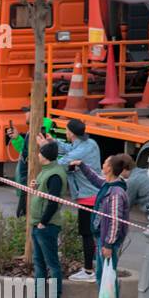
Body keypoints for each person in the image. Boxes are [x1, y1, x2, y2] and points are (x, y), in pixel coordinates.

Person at [71, 153, 132, 298]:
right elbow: (94, 179)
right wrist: (82, 165)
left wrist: (108, 244)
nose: (102, 165)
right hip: (103, 238)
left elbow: (114, 221)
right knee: (102, 275)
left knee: (108, 276)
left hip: (108, 241)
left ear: (110, 168)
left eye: (105, 162)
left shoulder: (116, 193)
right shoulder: (108, 185)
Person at [51, 119, 102, 282]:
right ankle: (93, 267)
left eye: (66, 130)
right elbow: (69, 148)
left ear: (71, 133)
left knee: (86, 234)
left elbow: (60, 163)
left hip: (88, 198)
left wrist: (47, 150)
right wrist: (52, 141)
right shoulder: (91, 143)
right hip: (95, 195)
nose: (65, 132)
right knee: (93, 235)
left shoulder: (79, 152)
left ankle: (88, 271)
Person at [29, 140, 67, 298]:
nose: (38, 155)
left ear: (45, 156)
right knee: (39, 263)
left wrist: (43, 221)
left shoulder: (55, 175)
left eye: (40, 152)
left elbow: (53, 201)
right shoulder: (47, 172)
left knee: (51, 263)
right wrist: (35, 189)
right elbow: (44, 195)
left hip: (47, 225)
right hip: (38, 224)